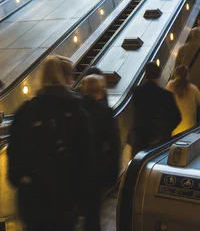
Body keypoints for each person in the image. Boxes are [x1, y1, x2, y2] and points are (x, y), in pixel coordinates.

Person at [8, 56, 92, 231]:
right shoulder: (76, 111)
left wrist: (24, 184)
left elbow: (14, 156)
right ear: (68, 79)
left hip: (32, 201)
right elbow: (86, 159)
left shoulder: (26, 111)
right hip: (65, 201)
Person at [80, 75, 119, 231]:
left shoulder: (75, 109)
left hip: (76, 171)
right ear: (101, 91)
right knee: (93, 215)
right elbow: (113, 145)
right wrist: (113, 176)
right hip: (96, 172)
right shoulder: (105, 112)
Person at [131, 62, 181, 154]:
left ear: (145, 75)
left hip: (138, 140)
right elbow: (177, 117)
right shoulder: (166, 95)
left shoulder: (136, 92)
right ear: (159, 76)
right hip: (158, 141)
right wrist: (166, 131)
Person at [168, 66, 200, 136]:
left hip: (174, 128)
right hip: (189, 129)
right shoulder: (193, 89)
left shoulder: (169, 86)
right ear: (187, 76)